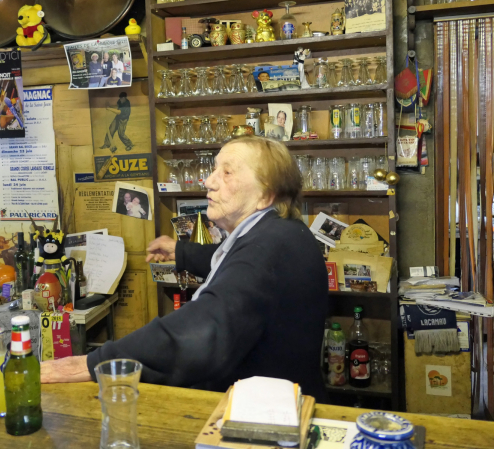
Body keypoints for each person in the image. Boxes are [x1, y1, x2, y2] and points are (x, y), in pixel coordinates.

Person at [40, 136, 329, 401]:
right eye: (214, 170)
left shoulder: (268, 247)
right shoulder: (282, 233)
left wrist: (94, 362)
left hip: (267, 420)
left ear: (265, 195)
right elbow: (231, 262)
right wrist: (180, 251)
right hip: (281, 400)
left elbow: (200, 332)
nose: (209, 181)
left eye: (227, 173)